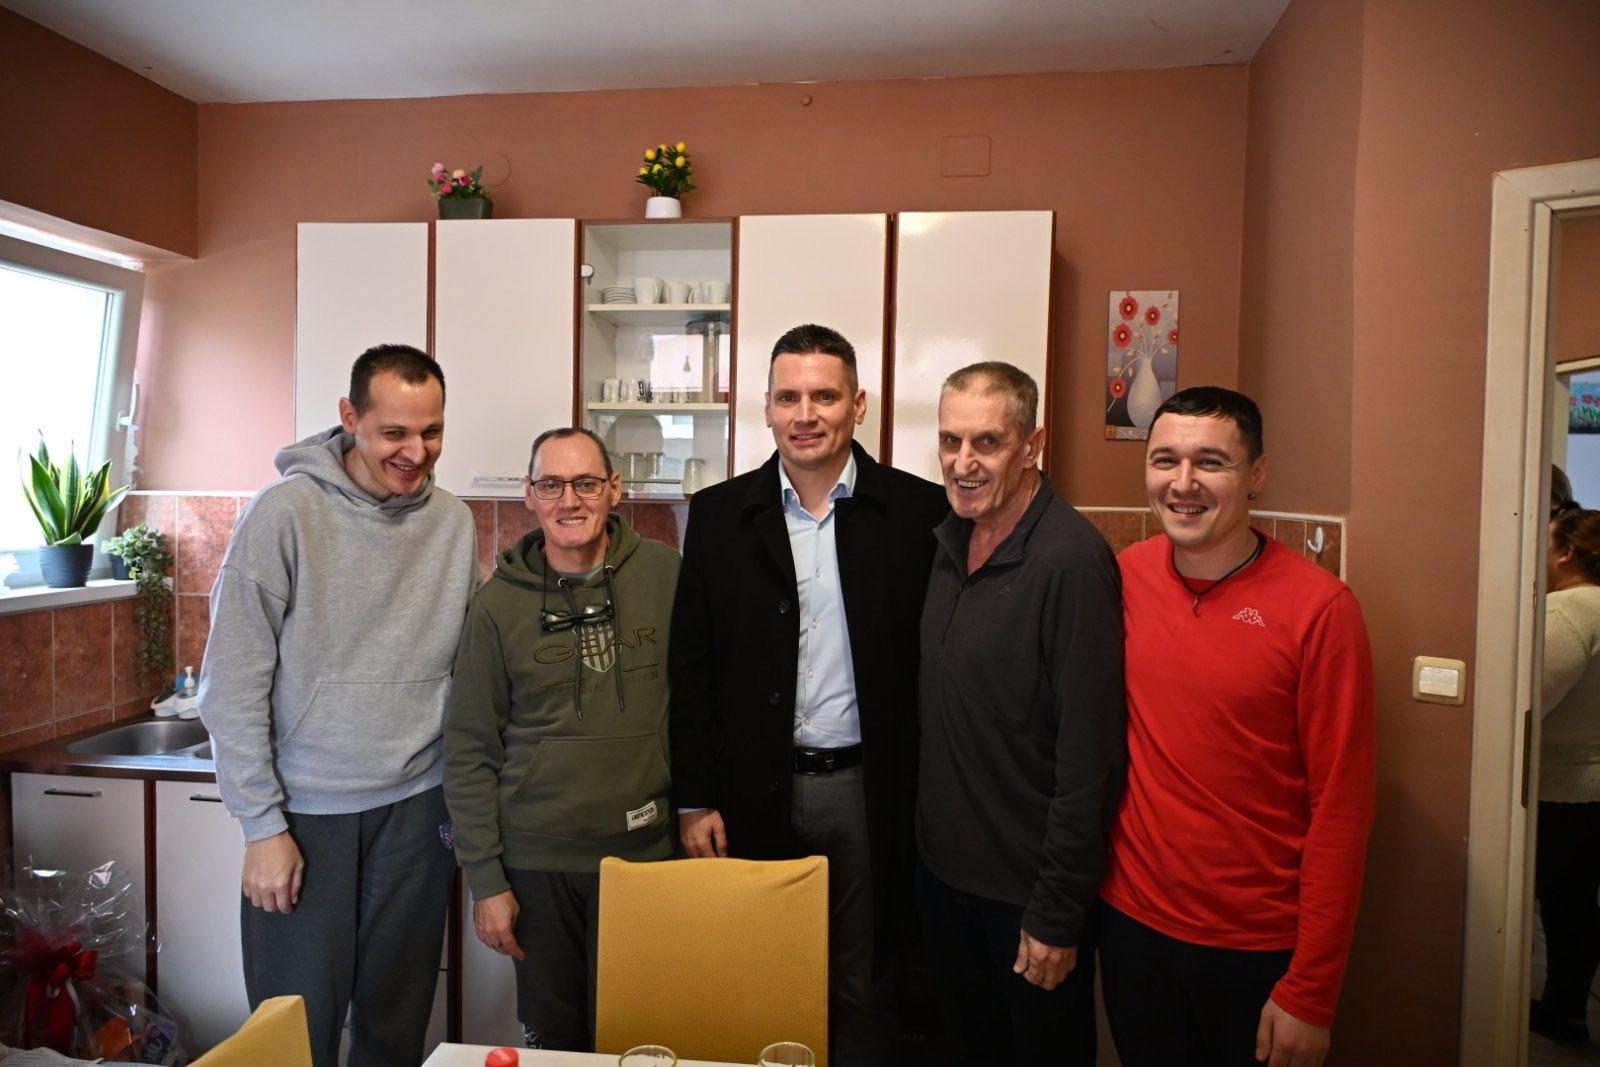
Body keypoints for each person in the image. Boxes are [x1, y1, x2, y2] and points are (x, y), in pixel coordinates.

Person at [669, 323, 948, 1065]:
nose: (805, 414)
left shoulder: (918, 513)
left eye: (824, 396)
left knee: (865, 986)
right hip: (751, 790)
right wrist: (694, 798)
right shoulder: (719, 515)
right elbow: (690, 671)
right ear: (765, 407)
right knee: (760, 979)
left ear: (858, 405)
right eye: (788, 397)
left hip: (869, 791)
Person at [199, 344, 478, 1067]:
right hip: (305, 817)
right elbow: (231, 683)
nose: (416, 452)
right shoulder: (284, 514)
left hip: (418, 810)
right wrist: (262, 825)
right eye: (394, 432)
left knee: (395, 1028)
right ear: (350, 417)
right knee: (295, 1035)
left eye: (432, 431)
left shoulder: (453, 522)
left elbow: (463, 668)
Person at [1098, 386, 1376, 1067]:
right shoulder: (1123, 576)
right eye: (1165, 459)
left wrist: (1311, 990)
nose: (1183, 483)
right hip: (1131, 926)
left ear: (1257, 474)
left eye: (1211, 462)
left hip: (1257, 948)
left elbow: (1341, 808)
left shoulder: (1321, 610)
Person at [915, 361, 1127, 1065]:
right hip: (945, 884)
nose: (963, 462)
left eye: (988, 442)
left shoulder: (1072, 561)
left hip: (1026, 900)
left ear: (1032, 445)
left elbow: (1090, 757)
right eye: (950, 441)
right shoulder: (947, 540)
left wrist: (1058, 912)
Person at [444, 426, 679, 1051]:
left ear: (615, 489)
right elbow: (469, 753)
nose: (568, 500)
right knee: (556, 1047)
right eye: (551, 485)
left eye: (585, 483)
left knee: (643, 1042)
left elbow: (701, 704)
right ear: (529, 494)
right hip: (536, 869)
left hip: (644, 858)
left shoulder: (666, 576)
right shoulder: (496, 606)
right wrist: (487, 881)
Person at [1531, 507, 1600, 1044]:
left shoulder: (1571, 611)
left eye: (1547, 541)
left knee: (1565, 908)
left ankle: (1563, 1011)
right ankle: (1568, 1010)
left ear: (1566, 552)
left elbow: (1527, 704)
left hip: (1566, 791)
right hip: (1589, 789)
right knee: (1575, 908)